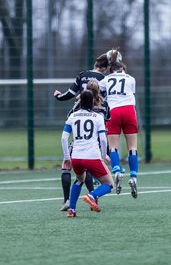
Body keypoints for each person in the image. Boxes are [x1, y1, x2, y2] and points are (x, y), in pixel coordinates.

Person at [54, 53, 109, 211]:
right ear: (105, 69)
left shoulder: (81, 79)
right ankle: (94, 198)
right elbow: (107, 125)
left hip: (77, 143)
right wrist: (105, 154)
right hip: (95, 142)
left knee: (68, 169)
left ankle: (68, 202)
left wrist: (58, 96)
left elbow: (69, 95)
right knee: (94, 173)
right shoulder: (103, 100)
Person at [61, 90, 114, 217]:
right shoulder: (98, 117)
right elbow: (102, 139)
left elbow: (63, 138)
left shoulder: (72, 117)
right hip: (92, 157)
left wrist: (67, 157)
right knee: (109, 184)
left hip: (77, 157)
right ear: (92, 102)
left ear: (80, 102)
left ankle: (72, 210)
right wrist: (103, 156)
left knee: (79, 180)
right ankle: (92, 195)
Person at [99, 51, 139, 198]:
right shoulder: (131, 79)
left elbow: (99, 92)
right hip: (129, 111)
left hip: (114, 112)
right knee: (132, 147)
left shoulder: (106, 79)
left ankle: (116, 171)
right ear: (122, 67)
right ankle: (133, 176)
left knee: (113, 146)